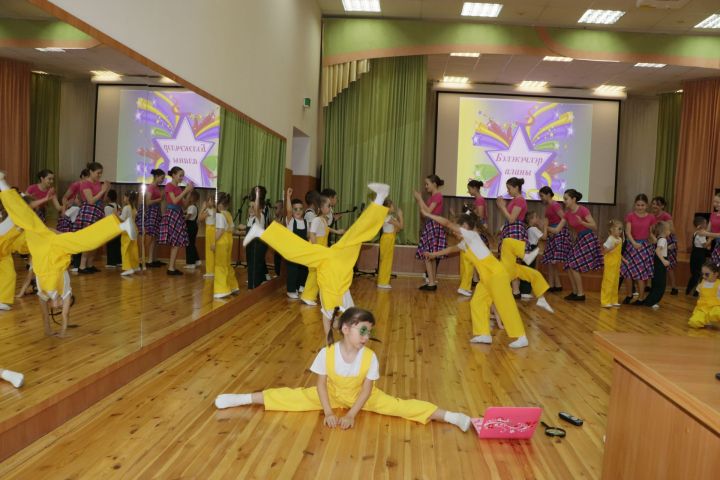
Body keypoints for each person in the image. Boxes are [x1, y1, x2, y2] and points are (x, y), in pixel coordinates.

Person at [214, 307, 472, 432]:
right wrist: (328, 410)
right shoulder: (326, 353)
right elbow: (320, 385)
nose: (366, 336)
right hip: (330, 395)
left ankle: (451, 416)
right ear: (346, 329)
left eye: (369, 331)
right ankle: (241, 398)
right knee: (288, 397)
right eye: (362, 330)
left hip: (362, 398)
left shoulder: (370, 357)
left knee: (400, 406)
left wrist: (351, 414)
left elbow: (367, 390)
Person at [244, 183, 390, 337]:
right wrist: (364, 332)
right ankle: (380, 198)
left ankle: (260, 232)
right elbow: (344, 322)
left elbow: (329, 322)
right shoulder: (346, 304)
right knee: (356, 234)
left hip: (328, 260)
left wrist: (331, 340)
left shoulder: (331, 304)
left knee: (298, 251)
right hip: (335, 260)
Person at [0, 172, 136, 337]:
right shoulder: (65, 292)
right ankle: (119, 227)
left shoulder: (42, 296)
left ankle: (3, 185)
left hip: (41, 248)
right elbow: (65, 315)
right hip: (55, 250)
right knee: (81, 241)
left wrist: (49, 331)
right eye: (64, 304)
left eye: (57, 307)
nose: (59, 306)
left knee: (26, 221)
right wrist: (63, 331)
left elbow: (44, 317)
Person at [422, 212, 530, 348]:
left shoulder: (471, 236)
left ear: (465, 226)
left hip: (496, 274)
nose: (454, 233)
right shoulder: (465, 243)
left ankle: (521, 336)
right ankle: (484, 334)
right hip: (486, 278)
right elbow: (451, 249)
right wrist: (433, 254)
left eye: (456, 229)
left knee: (505, 305)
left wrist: (428, 214)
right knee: (477, 302)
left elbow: (447, 223)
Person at [550, 189, 603, 302]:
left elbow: (594, 226)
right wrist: (544, 226)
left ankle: (581, 294)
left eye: (566, 199)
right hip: (580, 239)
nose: (564, 201)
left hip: (589, 238)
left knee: (573, 264)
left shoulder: (583, 210)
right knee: (569, 264)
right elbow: (557, 230)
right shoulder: (568, 214)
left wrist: (582, 223)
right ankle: (575, 292)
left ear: (573, 199)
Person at [76, 162, 111, 274]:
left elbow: (103, 199)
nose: (99, 175)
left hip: (98, 211)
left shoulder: (98, 184)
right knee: (88, 239)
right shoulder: (85, 183)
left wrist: (106, 189)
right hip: (89, 211)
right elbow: (90, 200)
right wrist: (102, 190)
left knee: (96, 239)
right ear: (90, 172)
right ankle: (82, 266)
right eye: (98, 173)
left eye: (101, 173)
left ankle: (90, 264)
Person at [157, 167, 193, 275]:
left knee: (176, 242)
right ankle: (171, 267)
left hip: (178, 214)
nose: (182, 177)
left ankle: (171, 267)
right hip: (172, 214)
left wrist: (189, 192)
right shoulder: (169, 186)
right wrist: (185, 190)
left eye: (183, 175)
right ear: (173, 175)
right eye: (180, 175)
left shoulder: (178, 189)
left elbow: (184, 205)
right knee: (175, 242)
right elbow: (174, 200)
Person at [621, 194, 656, 304]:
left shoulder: (651, 217)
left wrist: (656, 240)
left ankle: (641, 298)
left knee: (641, 275)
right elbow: (627, 232)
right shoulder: (630, 216)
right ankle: (629, 295)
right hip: (632, 246)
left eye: (642, 205)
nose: (640, 207)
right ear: (634, 205)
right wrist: (634, 243)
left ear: (646, 205)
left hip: (644, 248)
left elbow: (650, 233)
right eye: (638, 205)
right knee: (628, 273)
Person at [496, 177, 528, 296]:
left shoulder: (520, 200)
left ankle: (515, 290)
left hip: (516, 231)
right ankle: (515, 291)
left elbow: (511, 219)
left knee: (513, 261)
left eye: (509, 188)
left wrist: (502, 206)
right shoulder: (515, 200)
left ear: (516, 187)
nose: (508, 191)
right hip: (511, 230)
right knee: (511, 261)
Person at [414, 175, 446, 291]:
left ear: (434, 184)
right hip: (430, 225)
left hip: (434, 225)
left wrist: (420, 199)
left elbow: (427, 211)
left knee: (428, 254)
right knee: (430, 255)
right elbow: (424, 213)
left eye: (427, 184)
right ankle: (431, 281)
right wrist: (420, 201)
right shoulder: (432, 197)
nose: (426, 186)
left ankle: (432, 282)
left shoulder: (437, 196)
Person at [301, 194, 331, 305]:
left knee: (318, 273)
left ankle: (312, 295)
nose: (330, 208)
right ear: (321, 208)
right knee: (313, 273)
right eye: (328, 206)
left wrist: (337, 232)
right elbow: (312, 234)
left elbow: (324, 231)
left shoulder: (323, 220)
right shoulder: (316, 220)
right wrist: (316, 249)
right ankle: (307, 296)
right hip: (316, 249)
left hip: (321, 249)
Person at [539, 186, 569, 292]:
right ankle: (555, 285)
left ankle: (553, 285)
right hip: (553, 233)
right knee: (551, 261)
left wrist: (556, 230)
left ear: (548, 194)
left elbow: (564, 218)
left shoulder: (555, 205)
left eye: (542, 196)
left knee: (553, 261)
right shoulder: (549, 206)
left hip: (558, 233)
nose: (541, 198)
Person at [212, 192, 240, 299]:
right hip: (229, 242)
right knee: (227, 264)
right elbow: (232, 229)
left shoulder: (219, 215)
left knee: (219, 265)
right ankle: (233, 286)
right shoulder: (228, 214)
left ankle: (221, 290)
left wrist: (213, 241)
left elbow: (220, 230)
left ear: (218, 204)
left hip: (221, 243)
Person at [284, 189, 309, 299]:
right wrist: (288, 196)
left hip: (302, 250)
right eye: (295, 209)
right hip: (292, 251)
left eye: (300, 209)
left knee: (303, 269)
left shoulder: (305, 222)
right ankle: (291, 290)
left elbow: (307, 236)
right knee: (293, 270)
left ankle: (300, 286)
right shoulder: (290, 220)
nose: (298, 211)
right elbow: (288, 211)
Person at [138, 169, 165, 268]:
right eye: (161, 178)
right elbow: (148, 202)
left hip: (156, 211)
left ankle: (151, 259)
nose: (162, 180)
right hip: (151, 212)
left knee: (155, 236)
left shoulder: (157, 188)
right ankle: (144, 259)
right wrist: (159, 199)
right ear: (156, 177)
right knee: (150, 236)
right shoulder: (151, 187)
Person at [651, 197, 678, 295]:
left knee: (669, 266)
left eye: (657, 204)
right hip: (656, 240)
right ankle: (652, 285)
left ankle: (674, 287)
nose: (654, 206)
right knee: (655, 264)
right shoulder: (651, 216)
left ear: (662, 206)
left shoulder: (666, 216)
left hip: (667, 241)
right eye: (653, 203)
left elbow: (672, 230)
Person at [641, 221, 670, 308]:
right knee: (660, 283)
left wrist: (667, 248)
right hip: (660, 261)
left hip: (658, 261)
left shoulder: (660, 239)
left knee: (657, 282)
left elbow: (659, 249)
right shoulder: (663, 239)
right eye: (668, 230)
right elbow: (657, 251)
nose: (670, 231)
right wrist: (663, 261)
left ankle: (651, 300)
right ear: (664, 231)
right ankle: (652, 301)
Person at [377, 199, 403, 289]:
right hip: (387, 239)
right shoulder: (387, 217)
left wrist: (399, 219)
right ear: (387, 207)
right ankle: (382, 282)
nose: (393, 207)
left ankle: (384, 281)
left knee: (388, 260)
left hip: (390, 238)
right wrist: (401, 216)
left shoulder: (390, 217)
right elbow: (400, 225)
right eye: (392, 205)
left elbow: (398, 228)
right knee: (385, 261)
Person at [519, 211, 545, 299]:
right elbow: (544, 237)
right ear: (531, 219)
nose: (538, 219)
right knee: (529, 270)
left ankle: (524, 290)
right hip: (532, 249)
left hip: (527, 250)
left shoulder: (528, 228)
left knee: (526, 269)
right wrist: (545, 226)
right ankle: (525, 292)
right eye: (536, 217)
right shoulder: (533, 229)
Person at [246, 186, 268, 289]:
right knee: (250, 264)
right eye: (249, 206)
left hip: (258, 245)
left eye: (253, 206)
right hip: (250, 245)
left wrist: (257, 195)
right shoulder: (250, 218)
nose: (251, 208)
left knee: (255, 265)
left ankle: (254, 286)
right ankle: (252, 284)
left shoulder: (260, 216)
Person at [688, 261, 720, 328]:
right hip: (703, 309)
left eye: (707, 274)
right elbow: (699, 297)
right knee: (693, 322)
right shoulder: (701, 284)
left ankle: (711, 319)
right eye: (703, 274)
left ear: (715, 274)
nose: (704, 276)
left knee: (717, 313)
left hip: (714, 308)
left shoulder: (718, 285)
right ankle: (705, 319)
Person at [600, 220, 624, 308]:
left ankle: (613, 300)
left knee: (615, 282)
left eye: (621, 229)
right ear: (612, 229)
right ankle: (605, 301)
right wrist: (613, 247)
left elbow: (618, 252)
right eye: (619, 229)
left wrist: (624, 260)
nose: (620, 231)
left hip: (617, 264)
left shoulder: (620, 239)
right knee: (608, 281)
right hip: (610, 263)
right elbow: (604, 251)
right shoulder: (610, 239)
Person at [686, 216, 710, 295]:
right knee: (699, 273)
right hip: (700, 255)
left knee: (695, 273)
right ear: (702, 224)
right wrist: (711, 239)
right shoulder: (701, 234)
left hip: (694, 254)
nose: (706, 225)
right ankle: (695, 291)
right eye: (706, 223)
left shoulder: (695, 232)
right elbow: (704, 245)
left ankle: (689, 290)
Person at [119, 191, 140, 276]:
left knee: (125, 249)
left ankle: (128, 268)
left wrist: (116, 215)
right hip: (134, 229)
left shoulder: (126, 208)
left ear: (127, 198)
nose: (123, 199)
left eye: (124, 197)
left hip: (127, 230)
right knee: (133, 249)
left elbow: (123, 219)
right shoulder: (133, 207)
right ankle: (135, 266)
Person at [699, 193, 720, 267]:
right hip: (717, 245)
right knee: (715, 269)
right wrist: (707, 241)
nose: (715, 204)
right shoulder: (713, 214)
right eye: (714, 202)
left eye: (717, 202)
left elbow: (709, 234)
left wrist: (706, 234)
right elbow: (708, 230)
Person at [103, 189, 122, 268]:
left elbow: (108, 219)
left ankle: (111, 262)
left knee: (111, 245)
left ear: (108, 197)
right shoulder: (119, 206)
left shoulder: (107, 207)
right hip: (118, 227)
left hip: (111, 227)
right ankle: (118, 261)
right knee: (117, 245)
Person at [199, 195, 216, 278]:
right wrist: (203, 208)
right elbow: (200, 219)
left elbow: (200, 218)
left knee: (211, 251)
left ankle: (212, 271)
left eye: (211, 200)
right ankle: (210, 271)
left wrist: (203, 208)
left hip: (212, 230)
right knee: (209, 250)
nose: (210, 202)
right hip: (208, 230)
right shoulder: (208, 210)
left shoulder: (212, 211)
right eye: (208, 200)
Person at [184, 190, 200, 270]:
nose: (188, 197)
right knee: (192, 244)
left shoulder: (191, 207)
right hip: (194, 226)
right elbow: (186, 212)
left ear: (192, 198)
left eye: (189, 196)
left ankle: (191, 263)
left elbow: (188, 216)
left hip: (190, 226)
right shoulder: (194, 207)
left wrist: (181, 217)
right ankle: (196, 260)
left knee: (189, 244)